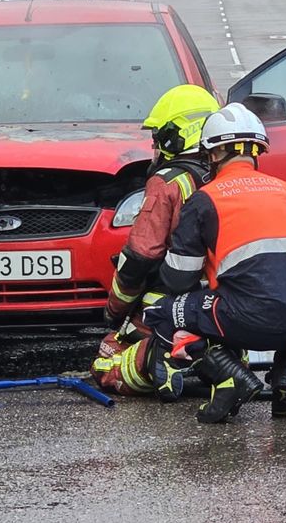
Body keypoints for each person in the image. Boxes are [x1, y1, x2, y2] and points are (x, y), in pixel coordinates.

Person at [142, 104, 286, 423]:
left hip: (247, 319)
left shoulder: (205, 199)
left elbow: (178, 278)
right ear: (257, 152)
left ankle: (231, 379)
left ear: (212, 155)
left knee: (163, 311)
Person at [90, 84, 219, 400]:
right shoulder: (226, 176)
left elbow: (141, 256)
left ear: (178, 136)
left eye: (159, 138)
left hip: (172, 304)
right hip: (226, 305)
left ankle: (154, 356)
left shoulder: (167, 183)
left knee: (106, 359)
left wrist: (115, 309)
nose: (155, 148)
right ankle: (211, 361)